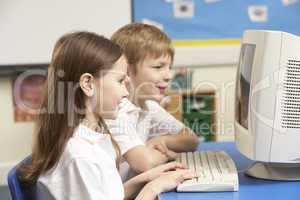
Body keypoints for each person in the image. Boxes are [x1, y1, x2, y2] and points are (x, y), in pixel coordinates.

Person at [18, 31, 196, 200]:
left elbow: (109, 194)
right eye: (120, 81)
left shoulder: (93, 138)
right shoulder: (79, 157)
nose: (126, 93)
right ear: (88, 84)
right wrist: (154, 187)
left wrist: (149, 177)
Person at [107, 23, 200, 181]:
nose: (169, 75)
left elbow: (191, 140)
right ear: (126, 70)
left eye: (169, 67)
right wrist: (166, 154)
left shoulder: (148, 106)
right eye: (158, 67)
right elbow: (145, 163)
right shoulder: (116, 110)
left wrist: (159, 141)